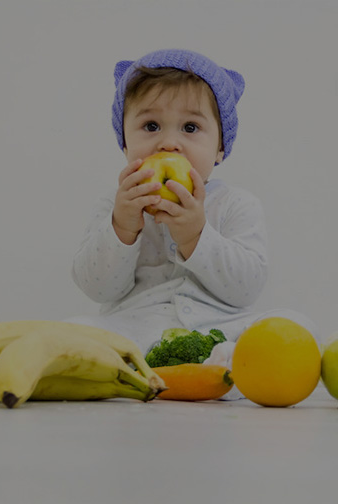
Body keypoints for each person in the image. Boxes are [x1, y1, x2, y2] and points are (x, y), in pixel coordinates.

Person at [67, 48, 318, 361]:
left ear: (220, 148)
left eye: (190, 128)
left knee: (295, 326)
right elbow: (97, 289)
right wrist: (121, 227)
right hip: (135, 326)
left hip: (219, 327)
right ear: (125, 142)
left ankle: (227, 365)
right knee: (74, 330)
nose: (169, 143)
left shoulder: (235, 204)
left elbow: (245, 289)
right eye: (151, 126)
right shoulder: (117, 203)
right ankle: (140, 369)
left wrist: (196, 235)